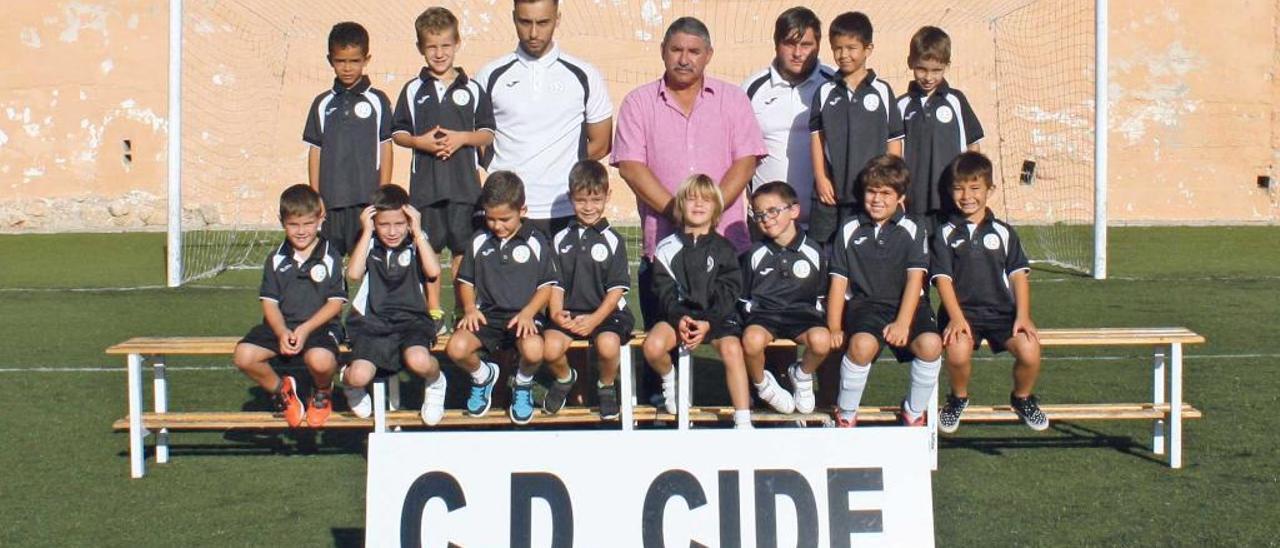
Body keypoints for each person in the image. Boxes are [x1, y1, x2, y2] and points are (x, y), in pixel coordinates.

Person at [391, 7, 495, 331]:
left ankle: (465, 309)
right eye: (432, 46)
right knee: (429, 250)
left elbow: (487, 133)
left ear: (457, 43)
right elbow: (398, 133)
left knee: (464, 251)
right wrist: (420, 143)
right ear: (421, 48)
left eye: (446, 45)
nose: (439, 53)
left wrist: (463, 138)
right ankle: (433, 313)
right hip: (426, 188)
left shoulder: (473, 89)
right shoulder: (412, 90)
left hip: (465, 188)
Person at [476, 0, 613, 237]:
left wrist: (557, 170)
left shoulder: (584, 74)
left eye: (543, 23)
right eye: (524, 22)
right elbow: (479, 143)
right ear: (513, 18)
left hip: (564, 211)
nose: (533, 33)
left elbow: (601, 144)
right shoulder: (490, 75)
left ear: (557, 19)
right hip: (509, 214)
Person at [931, 151, 1046, 432]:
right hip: (962, 314)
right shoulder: (944, 234)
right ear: (950, 191)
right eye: (959, 188)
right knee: (957, 353)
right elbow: (943, 280)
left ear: (989, 190)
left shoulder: (1004, 232)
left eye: (975, 188)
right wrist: (956, 319)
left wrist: (1023, 315)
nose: (967, 196)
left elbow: (1018, 275)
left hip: (1001, 314)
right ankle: (958, 398)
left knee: (1029, 350)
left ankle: (1022, 397)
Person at [826, 155, 942, 427]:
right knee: (861, 345)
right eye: (871, 192)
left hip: (908, 306)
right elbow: (838, 281)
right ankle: (845, 414)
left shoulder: (914, 227)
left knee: (931, 345)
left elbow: (916, 279)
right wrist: (833, 326)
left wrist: (903, 323)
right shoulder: (849, 227)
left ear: (900, 196)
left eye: (886, 193)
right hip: (866, 306)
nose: (877, 199)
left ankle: (914, 412)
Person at [446, 171, 558, 425]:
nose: (497, 225)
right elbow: (465, 281)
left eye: (505, 219)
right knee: (456, 348)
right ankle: (483, 376)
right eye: (491, 218)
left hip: (523, 316)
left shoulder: (536, 241)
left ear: (523, 210)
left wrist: (529, 313)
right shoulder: (479, 240)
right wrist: (470, 309)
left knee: (533, 349)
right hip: (488, 316)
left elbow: (546, 286)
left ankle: (523, 383)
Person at [642, 174, 752, 428]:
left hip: (717, 317)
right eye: (692, 199)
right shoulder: (666, 248)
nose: (699, 205)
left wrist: (709, 323)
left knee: (732, 350)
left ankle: (743, 420)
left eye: (706, 200)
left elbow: (729, 292)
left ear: (716, 208)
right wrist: (680, 317)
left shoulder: (725, 248)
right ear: (680, 206)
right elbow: (663, 291)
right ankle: (671, 382)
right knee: (653, 346)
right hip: (679, 316)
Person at [232, 185, 347, 428]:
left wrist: (305, 330)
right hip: (282, 326)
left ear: (320, 220)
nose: (302, 231)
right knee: (244, 356)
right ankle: (282, 391)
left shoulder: (331, 256)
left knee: (321, 361)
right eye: (294, 225)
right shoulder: (275, 258)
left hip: (318, 328)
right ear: (282, 222)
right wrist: (282, 331)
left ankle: (322, 392)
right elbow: (269, 303)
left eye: (307, 224)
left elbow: (335, 304)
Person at [340, 186, 446, 426]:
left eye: (399, 223)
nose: (392, 231)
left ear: (408, 220)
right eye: (383, 224)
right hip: (372, 322)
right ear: (373, 223)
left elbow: (434, 271)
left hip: (412, 319)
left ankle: (436, 382)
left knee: (419, 360)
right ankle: (350, 386)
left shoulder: (416, 240)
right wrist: (366, 231)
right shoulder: (369, 241)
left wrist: (417, 231)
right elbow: (354, 274)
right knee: (359, 375)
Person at [543, 160, 635, 420]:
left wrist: (594, 319)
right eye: (581, 200)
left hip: (606, 313)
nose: (588, 207)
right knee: (549, 349)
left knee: (607, 346)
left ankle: (605, 386)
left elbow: (616, 290)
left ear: (607, 196)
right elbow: (556, 283)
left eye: (596, 200)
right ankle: (565, 378)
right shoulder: (560, 239)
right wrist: (557, 313)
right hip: (571, 312)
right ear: (571, 198)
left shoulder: (613, 240)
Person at [808, 12, 903, 244]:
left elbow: (894, 140)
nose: (843, 55)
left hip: (872, 190)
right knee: (828, 248)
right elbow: (817, 138)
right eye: (837, 48)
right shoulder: (824, 91)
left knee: (867, 247)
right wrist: (821, 177)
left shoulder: (882, 91)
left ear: (868, 49)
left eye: (851, 48)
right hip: (834, 189)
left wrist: (893, 182)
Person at [739, 181, 832, 415]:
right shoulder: (754, 253)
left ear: (794, 211)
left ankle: (801, 375)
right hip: (765, 317)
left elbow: (822, 294)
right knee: (751, 341)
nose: (765, 219)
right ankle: (763, 385)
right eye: (758, 214)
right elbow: (743, 297)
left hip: (803, 316)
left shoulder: (813, 251)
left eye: (772, 211)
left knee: (822, 341)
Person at [303, 22, 393, 257]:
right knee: (328, 264)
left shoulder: (378, 100)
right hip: (330, 201)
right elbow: (315, 151)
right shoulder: (322, 103)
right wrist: (316, 197)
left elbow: (386, 147)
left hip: (366, 200)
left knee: (368, 263)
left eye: (354, 61)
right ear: (330, 59)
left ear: (366, 59)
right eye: (340, 61)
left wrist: (383, 194)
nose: (347, 68)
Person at [742, 7, 834, 226]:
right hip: (767, 224)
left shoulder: (833, 85)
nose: (798, 53)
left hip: (824, 222)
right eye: (790, 44)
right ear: (776, 44)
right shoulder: (752, 89)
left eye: (806, 45)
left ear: (818, 46)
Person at [897, 26, 984, 218]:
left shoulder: (956, 100)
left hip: (953, 199)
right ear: (910, 63)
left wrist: (972, 187)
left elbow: (973, 147)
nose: (928, 77)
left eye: (937, 70)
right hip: (914, 200)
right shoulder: (901, 105)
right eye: (922, 69)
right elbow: (894, 151)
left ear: (947, 66)